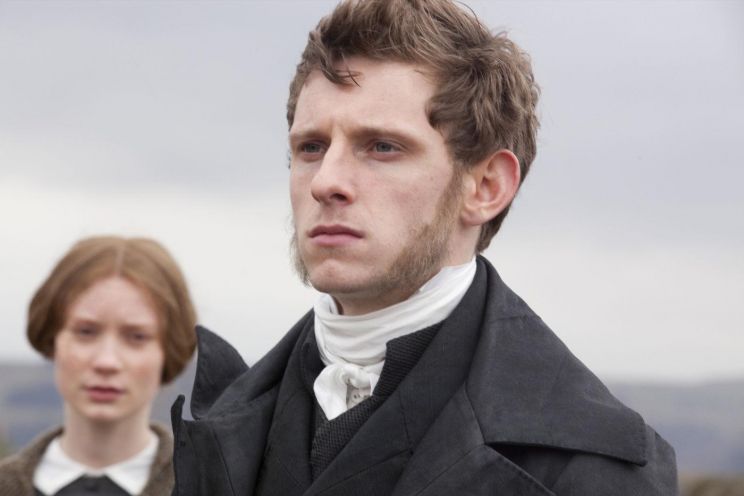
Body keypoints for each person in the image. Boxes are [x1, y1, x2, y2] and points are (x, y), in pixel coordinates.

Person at [170, 0, 678, 494]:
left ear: (486, 187)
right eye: (311, 147)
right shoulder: (224, 425)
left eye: (382, 147)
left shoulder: (590, 467)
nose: (326, 182)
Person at [0, 236, 197, 495]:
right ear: (52, 338)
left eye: (136, 336)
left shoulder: (212, 488)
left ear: (168, 349)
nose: (107, 361)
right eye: (86, 331)